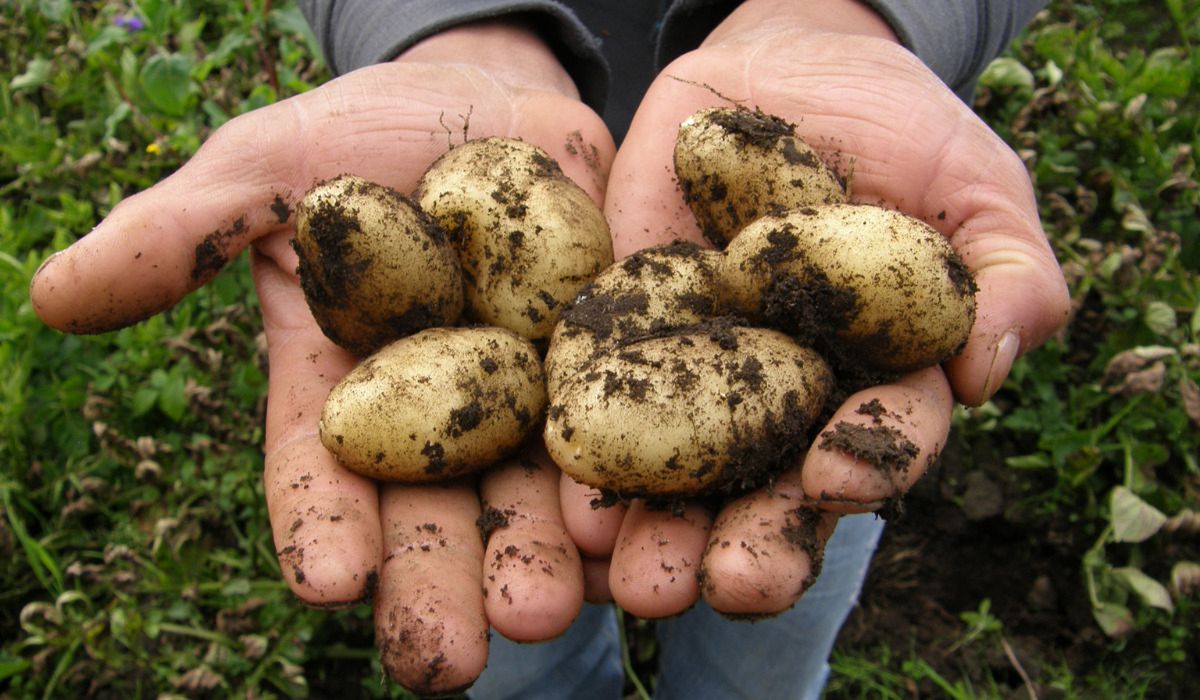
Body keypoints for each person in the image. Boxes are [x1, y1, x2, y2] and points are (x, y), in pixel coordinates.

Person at [30, 1, 1070, 697]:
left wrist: (850, 12)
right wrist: (449, 27)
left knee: (775, 596)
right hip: (528, 182)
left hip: (798, 359)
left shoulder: (746, 286)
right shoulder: (543, 325)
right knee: (517, 618)